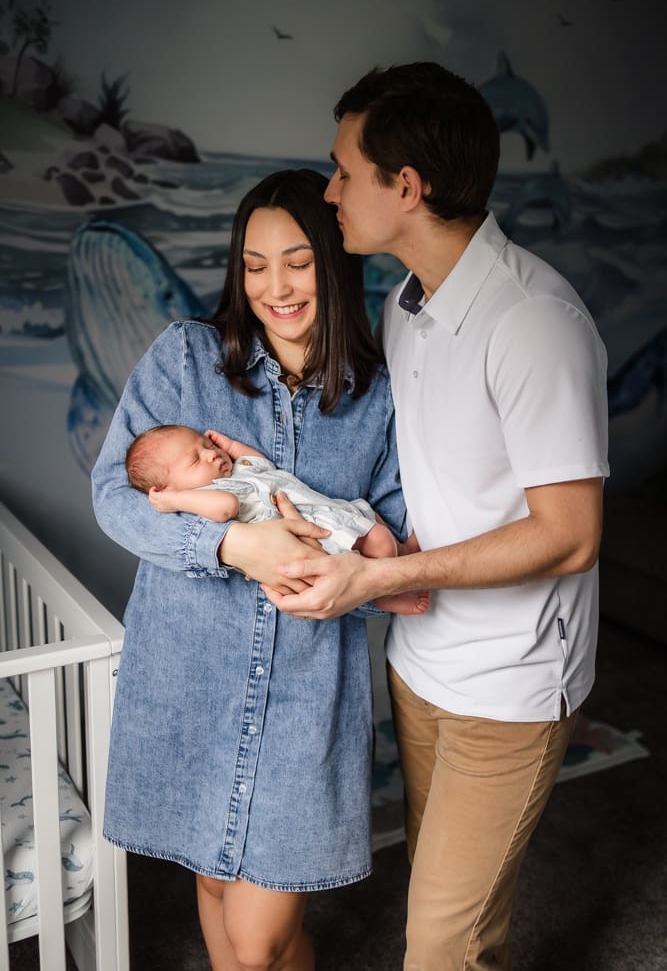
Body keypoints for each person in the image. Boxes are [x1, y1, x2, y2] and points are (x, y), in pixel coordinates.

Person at [245, 64, 610, 970]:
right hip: (422, 664)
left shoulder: (532, 322)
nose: (328, 192)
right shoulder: (408, 303)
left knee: (440, 946)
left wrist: (381, 577)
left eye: (341, 172)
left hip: (511, 682)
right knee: (436, 898)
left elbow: (568, 534)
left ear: (404, 188)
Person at [91, 167, 417, 971]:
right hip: (189, 679)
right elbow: (113, 496)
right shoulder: (187, 359)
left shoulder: (376, 396)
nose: (276, 285)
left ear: (335, 262)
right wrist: (234, 545)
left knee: (260, 938)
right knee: (219, 906)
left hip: (306, 696)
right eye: (255, 263)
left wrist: (334, 556)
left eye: (299, 261)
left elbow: (400, 556)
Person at [126, 422, 429, 614]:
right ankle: (386, 594)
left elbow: (260, 462)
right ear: (167, 487)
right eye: (195, 459)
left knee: (378, 529)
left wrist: (231, 447)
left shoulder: (237, 469)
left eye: (207, 445)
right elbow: (226, 508)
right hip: (318, 534)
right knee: (380, 545)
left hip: (326, 510)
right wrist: (175, 500)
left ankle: (402, 558)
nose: (211, 454)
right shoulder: (209, 492)